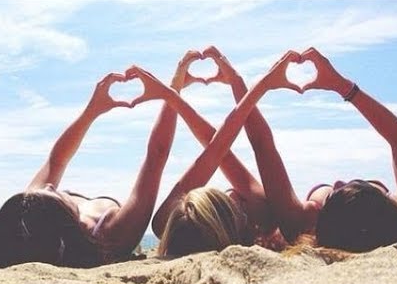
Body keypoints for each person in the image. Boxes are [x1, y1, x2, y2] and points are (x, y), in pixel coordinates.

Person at [205, 46, 397, 256]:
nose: (339, 180)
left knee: (254, 201)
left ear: (322, 222)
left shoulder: (301, 224)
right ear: (386, 204)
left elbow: (261, 145)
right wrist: (343, 87)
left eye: (333, 193)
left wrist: (241, 84)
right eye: (351, 183)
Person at [0, 52, 206, 268]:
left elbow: (57, 160)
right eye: (52, 194)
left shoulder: (32, 212)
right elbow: (156, 155)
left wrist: (92, 110)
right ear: (57, 226)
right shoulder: (113, 234)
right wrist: (172, 91)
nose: (50, 186)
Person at [125, 49, 301, 257]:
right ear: (238, 219)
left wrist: (173, 91)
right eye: (238, 202)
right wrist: (239, 83)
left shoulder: (167, 221)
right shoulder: (263, 214)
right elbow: (223, 151)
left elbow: (216, 150)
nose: (236, 194)